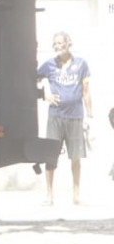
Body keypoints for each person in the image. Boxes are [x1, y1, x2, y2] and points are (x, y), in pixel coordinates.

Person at [36, 31, 92, 205]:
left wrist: (89, 116)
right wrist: (44, 94)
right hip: (55, 117)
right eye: (55, 43)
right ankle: (49, 195)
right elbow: (32, 79)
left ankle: (76, 195)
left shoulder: (81, 64)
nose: (58, 46)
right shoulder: (49, 65)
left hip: (75, 117)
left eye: (61, 42)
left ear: (68, 43)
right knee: (50, 155)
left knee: (76, 157)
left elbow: (86, 91)